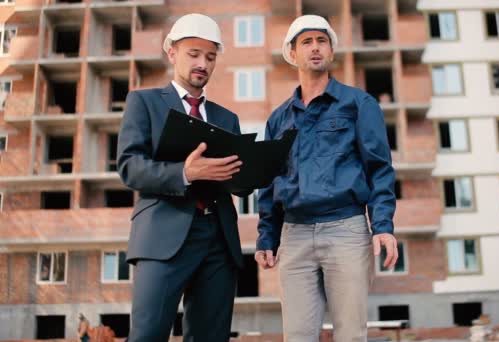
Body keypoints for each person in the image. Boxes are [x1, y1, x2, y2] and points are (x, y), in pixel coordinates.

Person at [255, 15, 399, 342]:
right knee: (298, 335)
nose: (315, 48)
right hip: (294, 236)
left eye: (322, 41)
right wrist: (267, 235)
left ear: (331, 51)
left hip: (346, 230)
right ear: (292, 54)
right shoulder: (278, 119)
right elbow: (270, 181)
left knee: (350, 335)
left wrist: (383, 226)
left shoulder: (359, 104)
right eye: (306, 42)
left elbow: (379, 169)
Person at [117, 13, 248, 342]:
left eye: (210, 57)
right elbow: (130, 166)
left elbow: (238, 181)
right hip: (163, 236)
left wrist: (254, 171)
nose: (203, 63)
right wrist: (185, 173)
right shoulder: (143, 103)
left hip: (218, 238)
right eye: (194, 54)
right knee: (148, 335)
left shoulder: (226, 118)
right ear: (172, 52)